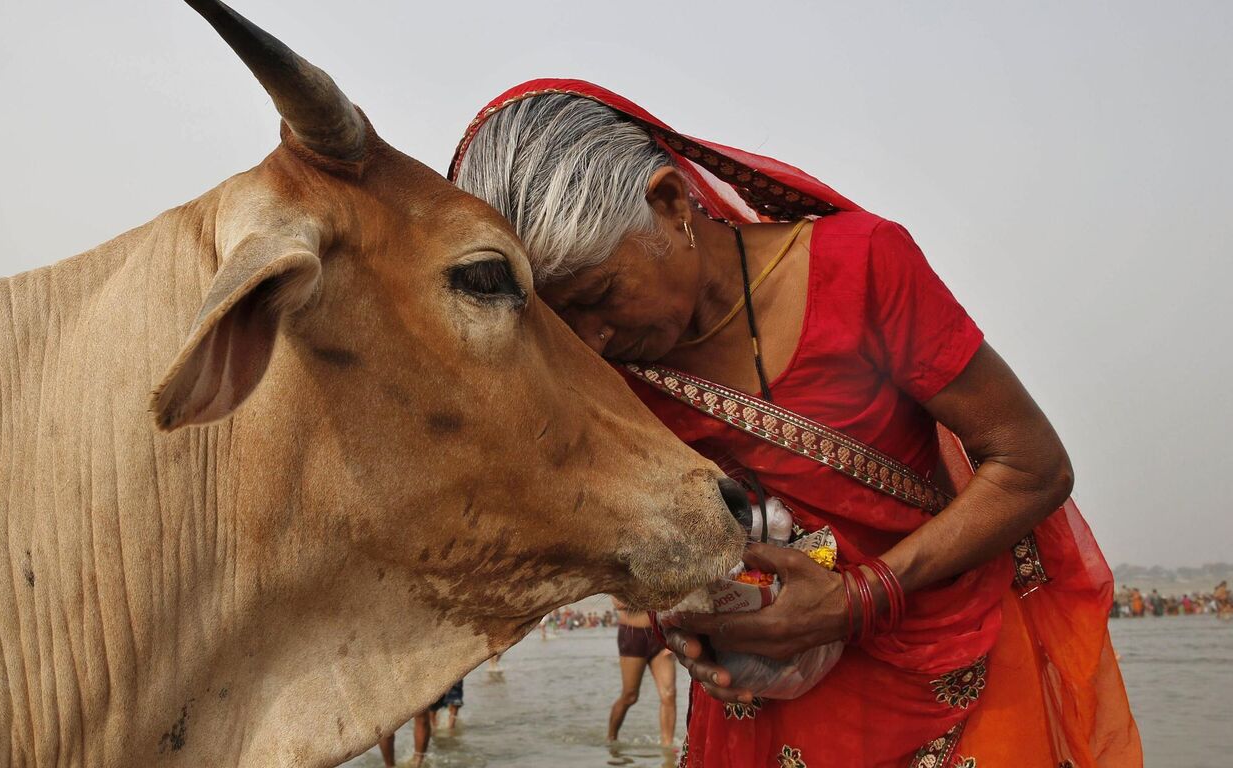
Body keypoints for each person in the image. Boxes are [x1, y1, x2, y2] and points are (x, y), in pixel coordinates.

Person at [451, 80, 1140, 767]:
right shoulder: (610, 377)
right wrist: (689, 619)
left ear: (667, 204)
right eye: (564, 323)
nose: (592, 341)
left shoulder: (863, 267)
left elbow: (1032, 466)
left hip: (954, 673)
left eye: (601, 296)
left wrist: (855, 600)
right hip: (769, 707)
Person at [608, 597, 679, 749]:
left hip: (661, 634)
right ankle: (611, 739)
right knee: (630, 696)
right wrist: (656, 598)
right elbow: (620, 603)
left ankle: (668, 751)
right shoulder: (625, 572)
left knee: (669, 694)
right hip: (632, 635)